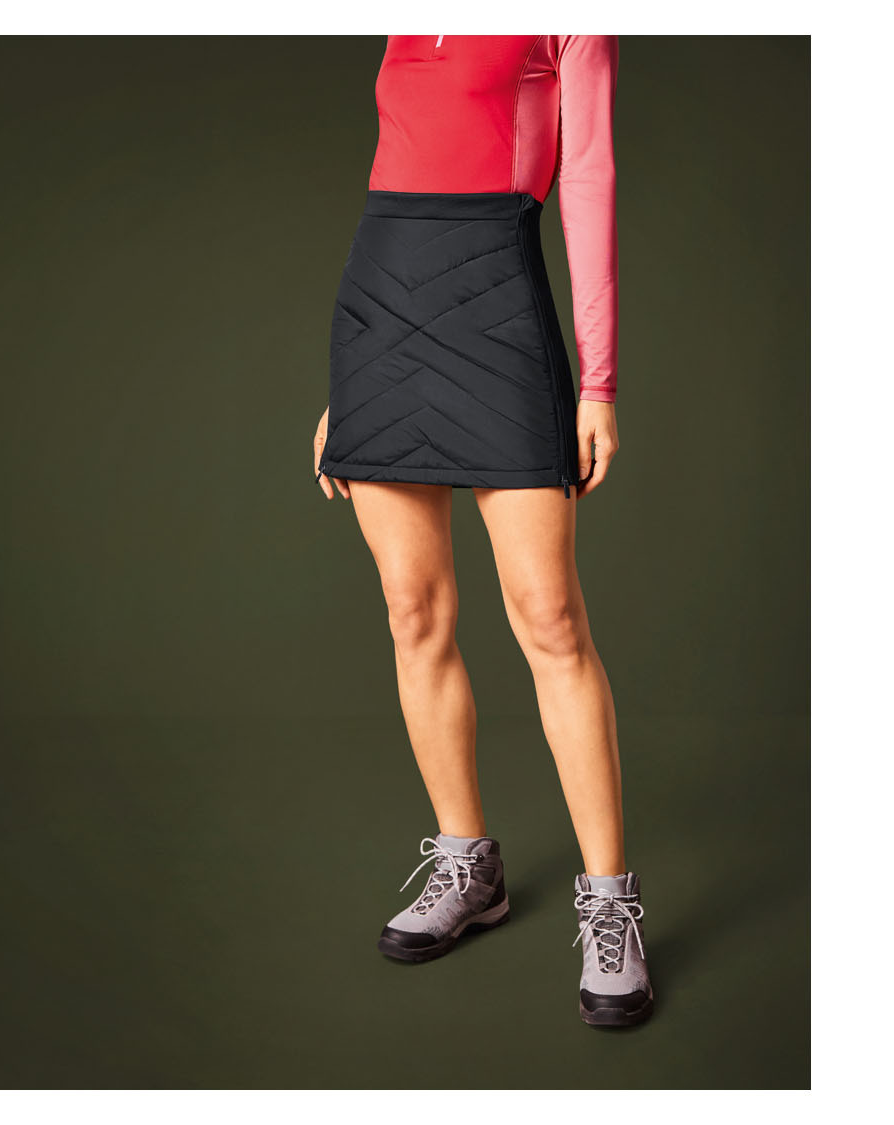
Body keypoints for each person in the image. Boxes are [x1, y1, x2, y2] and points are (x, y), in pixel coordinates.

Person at [311, 35, 651, 1027]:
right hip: (380, 310)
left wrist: (597, 381)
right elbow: (397, 163)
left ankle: (609, 903)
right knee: (412, 611)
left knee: (550, 620)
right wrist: (347, 389)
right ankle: (469, 865)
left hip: (498, 300)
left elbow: (587, 176)